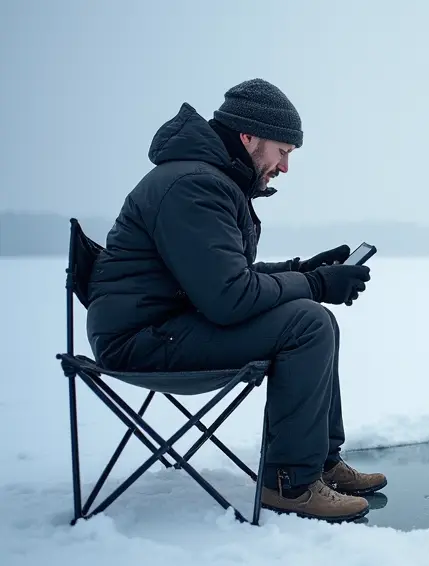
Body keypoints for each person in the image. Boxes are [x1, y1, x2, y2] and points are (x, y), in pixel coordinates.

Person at [85, 78, 386, 523]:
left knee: (313, 317)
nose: (284, 167)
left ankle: (319, 461)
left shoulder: (205, 179)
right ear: (249, 137)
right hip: (142, 341)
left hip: (170, 324)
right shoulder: (193, 186)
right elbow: (229, 298)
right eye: (282, 152)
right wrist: (317, 285)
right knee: (308, 322)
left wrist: (302, 270)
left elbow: (220, 281)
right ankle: (291, 485)